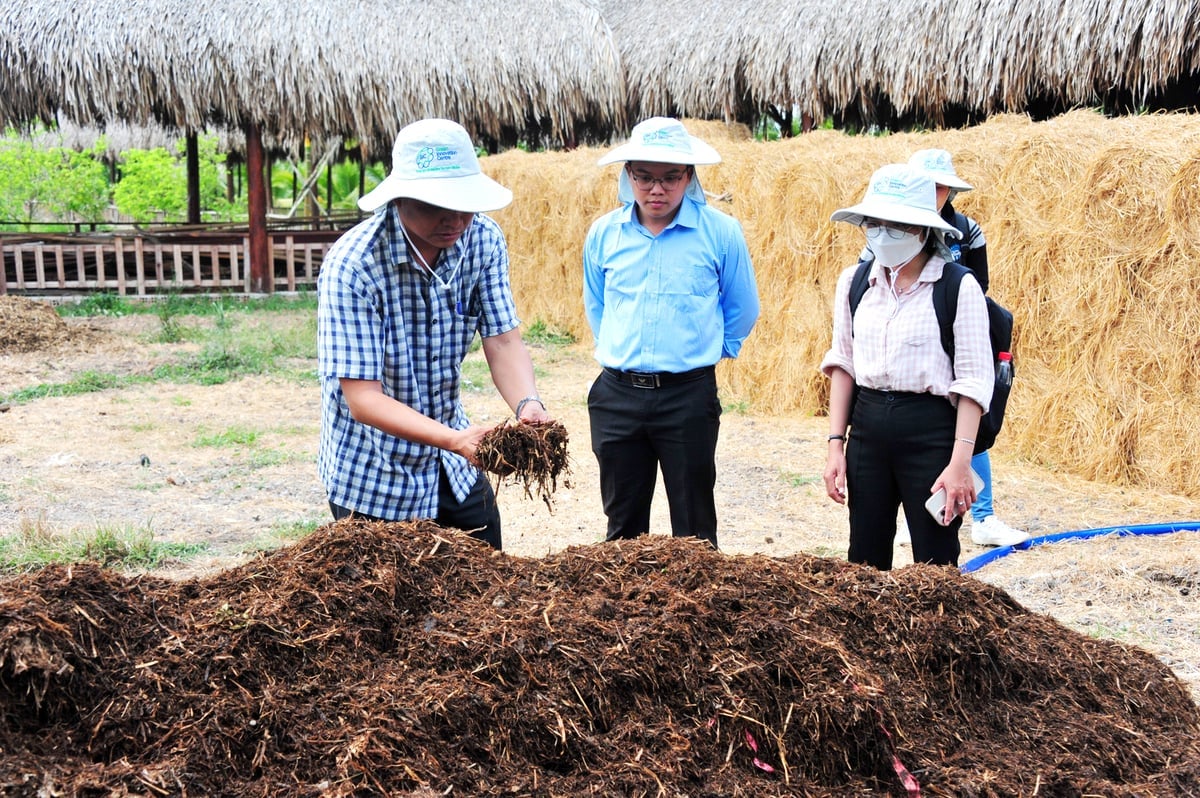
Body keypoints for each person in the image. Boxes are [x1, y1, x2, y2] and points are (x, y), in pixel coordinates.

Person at [316, 118, 550, 550]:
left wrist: (527, 403)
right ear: (399, 197)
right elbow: (362, 398)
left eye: (465, 204)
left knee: (488, 581)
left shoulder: (482, 240)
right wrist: (455, 440)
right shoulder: (354, 265)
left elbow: (503, 340)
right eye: (436, 205)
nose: (455, 219)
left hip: (452, 465)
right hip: (375, 473)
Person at [583, 117, 760, 549]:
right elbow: (597, 305)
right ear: (628, 175)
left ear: (689, 176)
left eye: (670, 178)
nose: (656, 190)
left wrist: (706, 351)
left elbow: (743, 308)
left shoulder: (720, 233)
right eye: (644, 177)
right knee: (622, 527)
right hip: (617, 396)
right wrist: (619, 350)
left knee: (695, 526)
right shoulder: (604, 233)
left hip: (687, 396)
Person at [820, 163, 993, 570]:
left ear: (923, 229)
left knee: (935, 562)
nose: (883, 234)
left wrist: (960, 463)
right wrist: (835, 444)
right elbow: (843, 364)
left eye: (896, 225)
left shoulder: (957, 286)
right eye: (875, 224)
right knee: (863, 559)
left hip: (931, 433)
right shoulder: (854, 283)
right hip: (868, 429)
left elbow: (973, 381)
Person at [906, 148, 1029, 548]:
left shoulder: (967, 229)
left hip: (960, 340)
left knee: (972, 422)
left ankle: (984, 516)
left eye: (941, 186)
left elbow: (978, 285)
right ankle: (917, 511)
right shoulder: (893, 226)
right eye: (926, 185)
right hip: (912, 345)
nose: (934, 193)